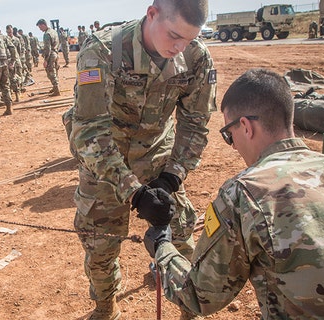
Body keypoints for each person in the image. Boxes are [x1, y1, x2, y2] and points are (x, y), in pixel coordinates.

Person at [143, 68, 324, 319]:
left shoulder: (243, 194)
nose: (233, 146)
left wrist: (162, 245)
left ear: (245, 126)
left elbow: (199, 295)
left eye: (228, 135)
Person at [62, 0, 216, 318]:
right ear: (152, 14)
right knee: (99, 244)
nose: (179, 46)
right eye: (174, 35)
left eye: (188, 38)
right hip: (105, 163)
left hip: (159, 156)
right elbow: (90, 132)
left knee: (180, 233)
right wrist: (135, 191)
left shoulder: (195, 56)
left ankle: (189, 305)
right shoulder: (103, 50)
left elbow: (195, 124)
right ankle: (106, 307)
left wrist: (172, 176)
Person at [36, 18, 60, 96]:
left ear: (43, 25)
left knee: (51, 72)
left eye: (40, 27)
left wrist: (46, 60)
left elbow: (47, 48)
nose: (40, 29)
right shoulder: (54, 32)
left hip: (51, 55)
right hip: (56, 53)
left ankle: (56, 90)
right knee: (55, 71)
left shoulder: (47, 34)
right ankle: (55, 87)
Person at [6, 25, 25, 102]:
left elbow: (19, 50)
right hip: (10, 62)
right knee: (12, 78)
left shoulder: (16, 40)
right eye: (8, 31)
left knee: (19, 76)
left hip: (17, 60)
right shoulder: (5, 40)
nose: (9, 33)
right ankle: (15, 93)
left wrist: (19, 58)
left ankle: (19, 90)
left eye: (10, 31)